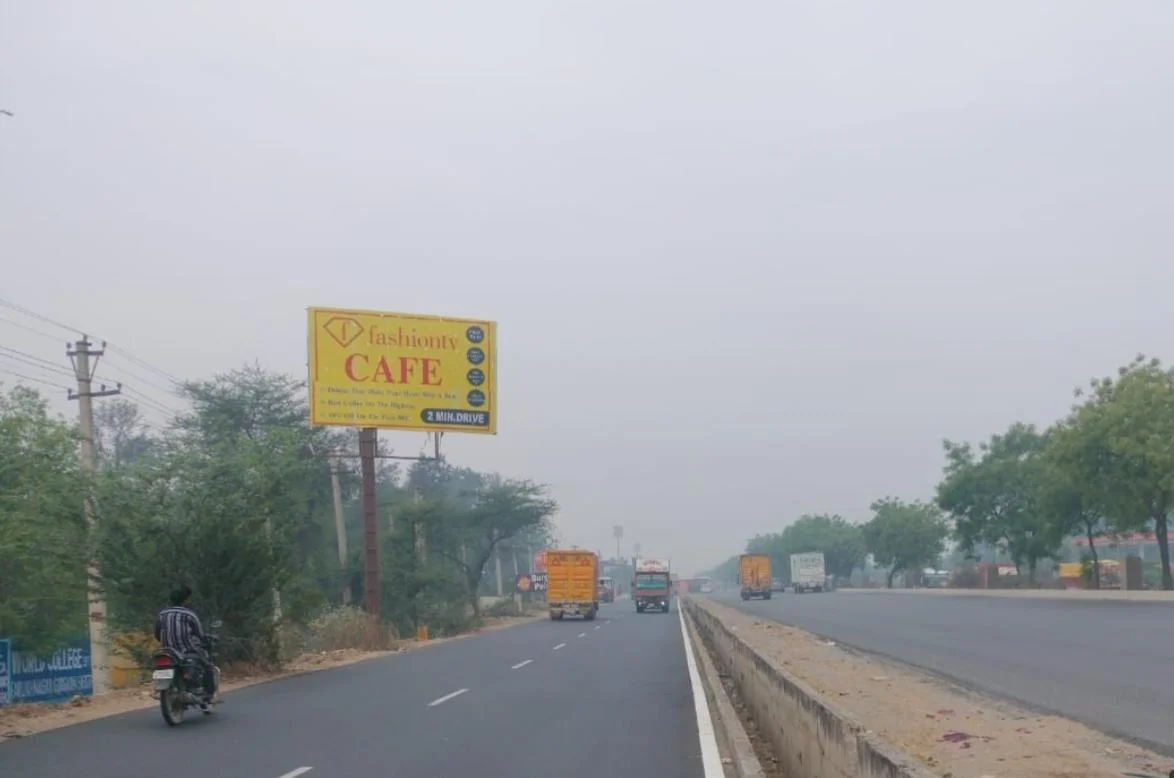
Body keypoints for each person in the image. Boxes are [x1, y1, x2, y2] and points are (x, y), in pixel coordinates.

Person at [155, 585, 216, 705]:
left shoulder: (162, 614)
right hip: (187, 650)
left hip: (167, 651)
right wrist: (206, 641)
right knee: (207, 665)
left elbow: (157, 633)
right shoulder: (189, 615)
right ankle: (208, 695)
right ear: (186, 600)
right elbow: (200, 634)